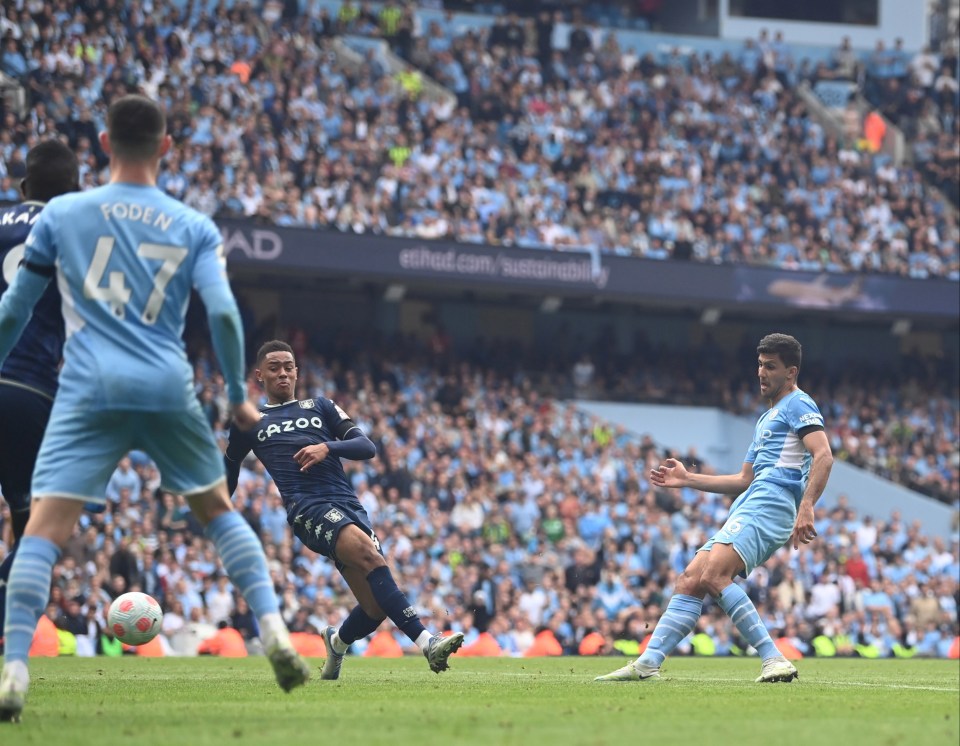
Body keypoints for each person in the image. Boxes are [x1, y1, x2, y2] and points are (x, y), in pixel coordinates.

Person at [0, 95, 309, 723]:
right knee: (218, 514)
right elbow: (223, 313)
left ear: (105, 144)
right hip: (167, 383)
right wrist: (236, 394)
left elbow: (15, 309)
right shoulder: (194, 224)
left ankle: (12, 668)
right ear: (166, 148)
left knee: (42, 530)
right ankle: (274, 631)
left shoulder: (63, 214)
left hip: (87, 387)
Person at [596, 333, 833, 684]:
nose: (761, 373)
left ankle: (774, 659)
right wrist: (687, 480)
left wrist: (807, 506)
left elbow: (824, 454)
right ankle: (648, 663)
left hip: (772, 503)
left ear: (791, 372)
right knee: (691, 579)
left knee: (714, 576)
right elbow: (742, 479)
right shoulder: (766, 418)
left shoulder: (798, 404)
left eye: (770, 367)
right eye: (759, 365)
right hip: (751, 501)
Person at [224, 339, 464, 680]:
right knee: (370, 557)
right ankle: (428, 642)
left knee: (374, 607)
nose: (283, 373)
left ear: (297, 372)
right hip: (307, 507)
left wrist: (326, 447)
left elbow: (366, 446)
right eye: (274, 368)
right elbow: (229, 468)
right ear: (259, 374)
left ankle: (337, 642)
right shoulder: (250, 420)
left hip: (349, 504)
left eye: (289, 367)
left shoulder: (320, 406)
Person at [0, 140, 79, 639]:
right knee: (36, 526)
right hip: (31, 388)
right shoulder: (73, 231)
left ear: (23, 188)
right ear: (74, 192)